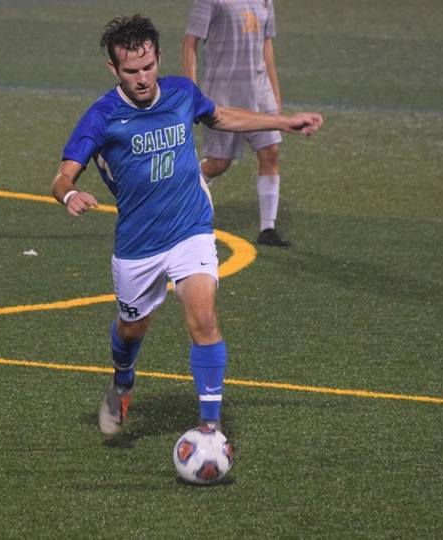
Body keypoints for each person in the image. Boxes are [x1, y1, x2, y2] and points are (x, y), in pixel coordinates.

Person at [51, 14, 321, 435]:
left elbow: (223, 117)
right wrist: (70, 194)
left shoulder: (181, 92)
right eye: (130, 71)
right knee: (132, 326)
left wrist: (283, 121)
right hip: (139, 243)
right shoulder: (102, 117)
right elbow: (62, 176)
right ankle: (123, 377)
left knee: (203, 319)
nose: (142, 78)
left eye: (148, 67)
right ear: (113, 69)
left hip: (190, 227)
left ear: (159, 57)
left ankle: (209, 431)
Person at [182, 0, 291, 247]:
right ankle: (182, 192)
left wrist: (275, 95)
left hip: (259, 94)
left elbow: (266, 43)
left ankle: (268, 228)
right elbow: (190, 41)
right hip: (222, 96)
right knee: (219, 164)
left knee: (270, 151)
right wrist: (192, 92)